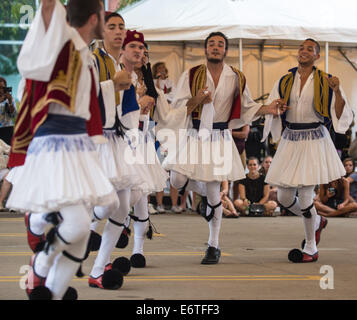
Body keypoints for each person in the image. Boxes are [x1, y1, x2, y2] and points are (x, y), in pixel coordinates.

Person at [5, 0, 120, 300]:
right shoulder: (59, 39)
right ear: (95, 18)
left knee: (81, 242)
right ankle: (41, 262)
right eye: (106, 16)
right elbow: (47, 10)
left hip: (79, 147)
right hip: (52, 145)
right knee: (79, 223)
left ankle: (52, 294)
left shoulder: (88, 56)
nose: (109, 22)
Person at [162, 31, 285, 264]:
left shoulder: (236, 76)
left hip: (219, 136)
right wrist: (197, 100)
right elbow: (177, 108)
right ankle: (206, 197)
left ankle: (213, 245)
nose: (216, 47)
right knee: (176, 180)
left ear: (226, 50)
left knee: (213, 191)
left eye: (220, 44)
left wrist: (268, 109)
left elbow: (248, 107)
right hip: (194, 133)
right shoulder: (192, 74)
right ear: (206, 49)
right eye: (212, 44)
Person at [262, 38, 353, 263]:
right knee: (283, 196)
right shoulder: (285, 79)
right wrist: (277, 108)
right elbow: (273, 107)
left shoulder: (327, 80)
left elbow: (341, 114)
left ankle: (310, 248)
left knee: (304, 196)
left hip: (314, 138)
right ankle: (317, 221)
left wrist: (338, 91)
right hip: (290, 138)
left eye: (309, 49)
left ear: (317, 56)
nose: (304, 51)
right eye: (301, 48)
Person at [232, 124, 250, 200]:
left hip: (240, 151)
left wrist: (229, 133)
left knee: (238, 179)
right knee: (224, 179)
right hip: (226, 150)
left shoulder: (244, 118)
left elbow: (244, 134)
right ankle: (225, 202)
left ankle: (235, 201)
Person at [0, 77, 17, 145]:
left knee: (7, 152)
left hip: (8, 130)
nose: (1, 90)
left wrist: (10, 102)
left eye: (2, 87)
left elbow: (13, 115)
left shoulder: (9, 98)